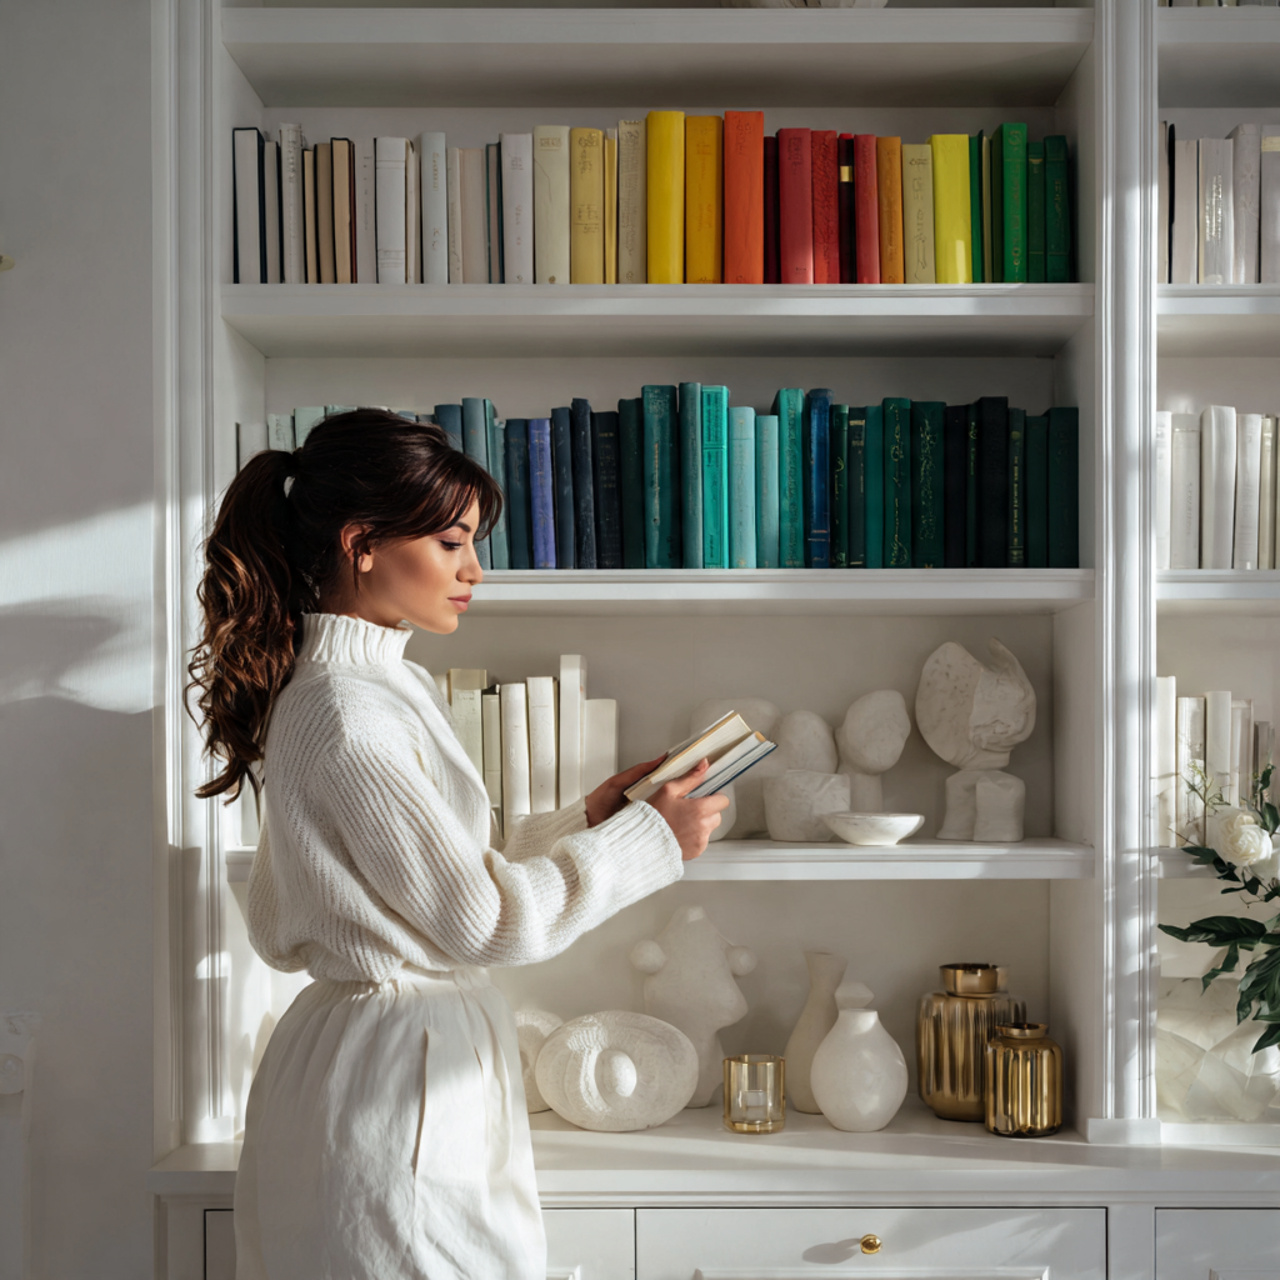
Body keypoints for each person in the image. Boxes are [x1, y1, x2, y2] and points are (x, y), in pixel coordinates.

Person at [186, 408, 728, 1279]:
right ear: (362, 544)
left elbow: (426, 880)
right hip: (393, 1092)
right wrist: (645, 842)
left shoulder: (372, 687)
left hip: (391, 1076)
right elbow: (486, 924)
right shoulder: (344, 708)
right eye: (451, 543)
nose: (476, 570)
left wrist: (586, 822)